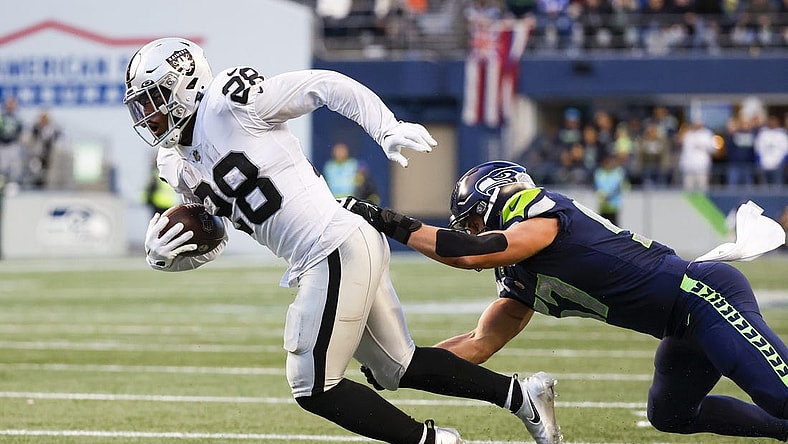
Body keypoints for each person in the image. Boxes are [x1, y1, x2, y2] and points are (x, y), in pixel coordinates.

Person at [123, 38, 561, 444]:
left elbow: (325, 85)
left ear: (185, 85)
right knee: (396, 367)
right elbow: (214, 233)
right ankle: (524, 396)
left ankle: (435, 442)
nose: (147, 114)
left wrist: (386, 127)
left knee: (312, 385)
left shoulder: (229, 104)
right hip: (336, 248)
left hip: (331, 244)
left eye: (153, 99)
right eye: (140, 105)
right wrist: (170, 255)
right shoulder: (174, 163)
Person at [344, 159, 788, 441]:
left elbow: (471, 253)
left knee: (779, 394)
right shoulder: (518, 275)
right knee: (671, 415)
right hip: (679, 327)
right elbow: (479, 344)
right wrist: (403, 366)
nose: (472, 232)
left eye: (475, 221)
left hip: (704, 296)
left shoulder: (538, 212)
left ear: (497, 197)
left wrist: (390, 222)